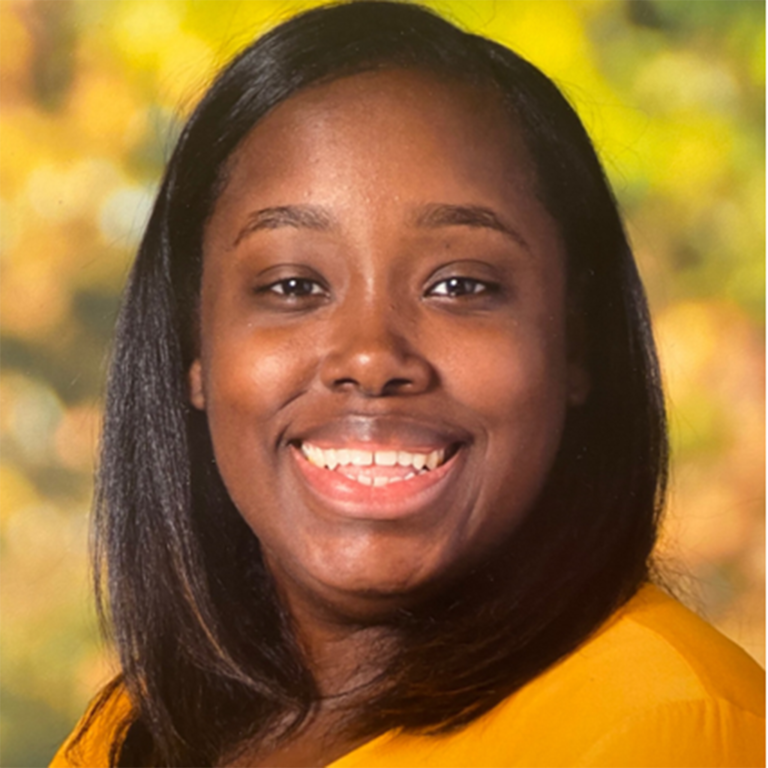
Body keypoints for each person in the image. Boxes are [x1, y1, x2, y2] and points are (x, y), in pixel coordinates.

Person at [51, 2, 764, 766]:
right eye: (293, 286)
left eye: (459, 284)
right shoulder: (130, 729)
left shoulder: (666, 724)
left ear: (575, 345)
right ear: (196, 350)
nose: (370, 355)